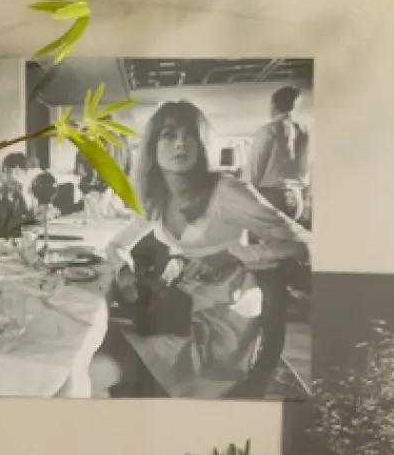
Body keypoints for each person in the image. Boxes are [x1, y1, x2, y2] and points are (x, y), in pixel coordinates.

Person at [93, 97, 310, 397]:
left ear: (202, 144)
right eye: (169, 135)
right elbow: (115, 246)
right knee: (91, 350)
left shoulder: (226, 192)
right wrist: (124, 273)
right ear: (152, 147)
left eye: (190, 135)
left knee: (96, 369)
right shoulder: (157, 199)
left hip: (224, 316)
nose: (181, 143)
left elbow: (303, 243)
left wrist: (231, 255)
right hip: (178, 306)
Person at [251, 83, 312, 221]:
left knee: (266, 233)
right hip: (296, 197)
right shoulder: (304, 131)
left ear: (273, 105)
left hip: (272, 196)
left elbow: (256, 167)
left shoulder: (269, 130)